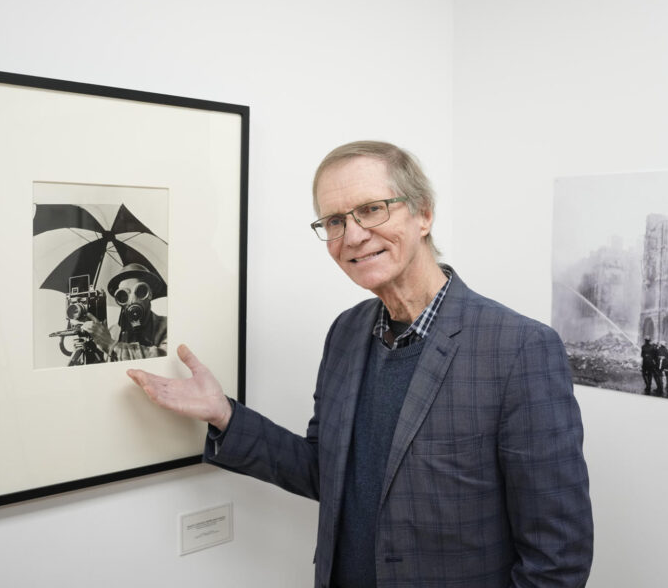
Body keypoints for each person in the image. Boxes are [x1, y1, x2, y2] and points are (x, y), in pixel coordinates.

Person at [127, 141, 593, 587]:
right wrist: (223, 415)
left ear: (424, 214)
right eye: (333, 220)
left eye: (371, 209)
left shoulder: (519, 347)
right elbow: (323, 470)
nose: (352, 236)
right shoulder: (347, 333)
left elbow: (557, 555)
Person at [80, 263, 168, 361]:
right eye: (124, 295)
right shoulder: (113, 332)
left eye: (139, 291)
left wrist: (111, 345)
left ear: (149, 294)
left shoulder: (167, 326)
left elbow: (163, 357)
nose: (132, 300)